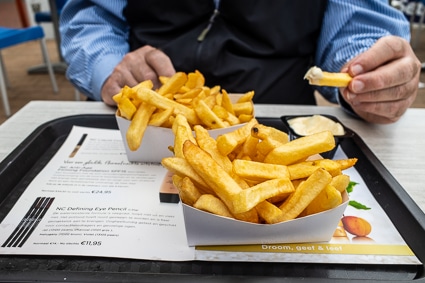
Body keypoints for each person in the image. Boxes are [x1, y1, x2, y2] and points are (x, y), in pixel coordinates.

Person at [59, 0, 421, 124]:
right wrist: (108, 67)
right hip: (146, 118)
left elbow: (356, 27)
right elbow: (92, 18)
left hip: (279, 128)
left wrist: (369, 74)